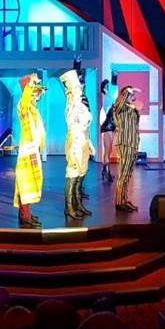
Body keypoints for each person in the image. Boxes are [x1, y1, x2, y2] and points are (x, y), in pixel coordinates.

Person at [60, 60, 94, 220]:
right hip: (75, 138)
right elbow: (72, 121)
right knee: (73, 172)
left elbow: (87, 124)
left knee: (82, 172)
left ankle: (78, 203)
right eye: (78, 83)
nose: (81, 85)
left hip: (83, 138)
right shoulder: (72, 102)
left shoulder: (82, 100)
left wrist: (89, 142)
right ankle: (69, 207)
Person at [15, 71, 47, 228]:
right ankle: (25, 215)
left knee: (31, 182)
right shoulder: (23, 106)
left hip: (33, 149)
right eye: (35, 93)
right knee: (26, 183)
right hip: (27, 149)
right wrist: (30, 83)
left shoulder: (33, 109)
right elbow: (26, 97)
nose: (38, 96)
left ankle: (26, 213)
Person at [112, 85, 142, 213]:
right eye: (130, 94)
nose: (132, 96)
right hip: (125, 143)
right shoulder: (118, 107)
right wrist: (129, 90)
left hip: (133, 143)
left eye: (132, 94)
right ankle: (119, 202)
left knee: (128, 175)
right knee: (123, 174)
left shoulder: (132, 108)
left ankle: (124, 200)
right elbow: (120, 105)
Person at [99, 76, 116, 183]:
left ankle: (105, 171)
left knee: (108, 151)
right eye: (106, 85)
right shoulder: (105, 95)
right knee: (107, 150)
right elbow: (106, 109)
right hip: (107, 125)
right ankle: (106, 172)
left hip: (112, 124)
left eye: (108, 85)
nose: (107, 87)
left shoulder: (109, 95)